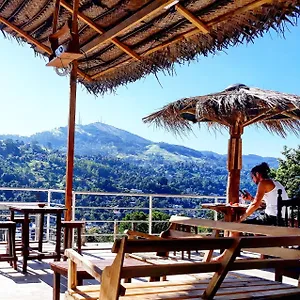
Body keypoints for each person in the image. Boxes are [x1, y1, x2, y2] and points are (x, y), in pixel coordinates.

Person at [212, 162, 288, 262]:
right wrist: (251, 198)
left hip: (272, 219)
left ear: (257, 174)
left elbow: (255, 205)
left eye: (252, 177)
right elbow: (263, 204)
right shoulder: (275, 183)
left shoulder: (263, 183)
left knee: (235, 227)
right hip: (282, 219)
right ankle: (262, 257)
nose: (253, 180)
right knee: (256, 230)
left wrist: (240, 219)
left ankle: (225, 256)